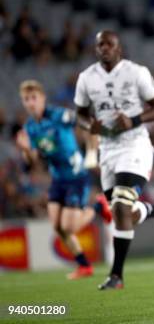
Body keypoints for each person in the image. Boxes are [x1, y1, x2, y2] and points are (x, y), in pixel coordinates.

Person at [74, 30, 154, 290]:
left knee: (120, 204)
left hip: (134, 146)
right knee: (122, 213)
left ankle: (116, 276)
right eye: (100, 44)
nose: (104, 48)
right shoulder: (86, 78)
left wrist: (134, 120)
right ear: (96, 49)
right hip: (107, 150)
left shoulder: (136, 72)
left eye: (109, 44)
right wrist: (91, 125)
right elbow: (81, 114)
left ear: (119, 48)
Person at [16, 80, 104, 280]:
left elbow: (88, 122)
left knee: (69, 227)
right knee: (57, 227)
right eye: (26, 99)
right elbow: (34, 161)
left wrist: (92, 152)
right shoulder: (30, 127)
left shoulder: (58, 115)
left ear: (42, 98)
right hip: (58, 179)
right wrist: (25, 149)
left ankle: (99, 207)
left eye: (34, 98)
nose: (31, 103)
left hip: (76, 176)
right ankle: (84, 266)